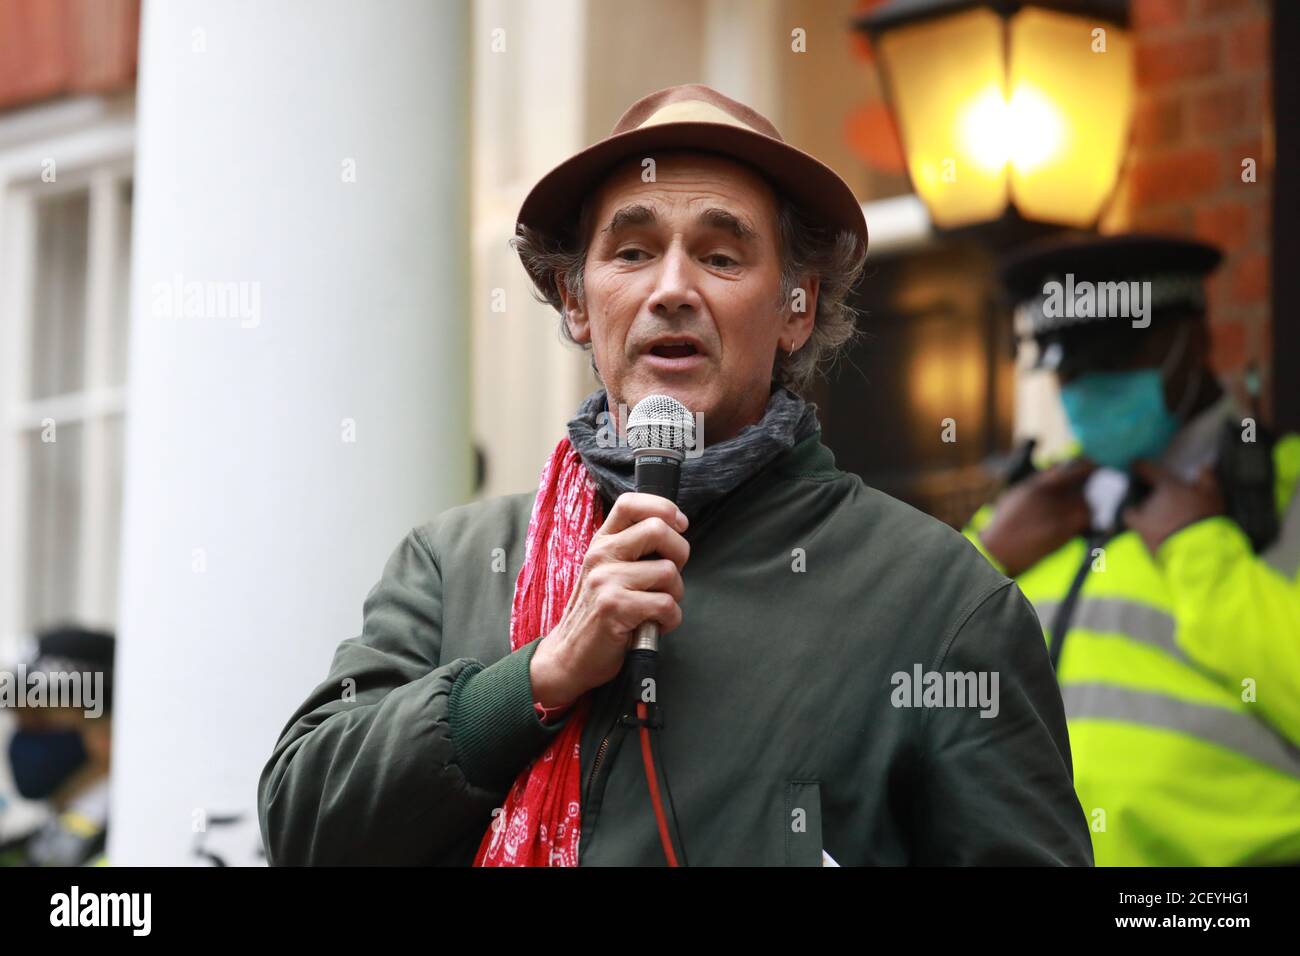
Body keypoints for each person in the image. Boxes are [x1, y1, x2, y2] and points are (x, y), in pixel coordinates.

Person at [258, 83, 1093, 866]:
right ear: (576, 301)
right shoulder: (454, 561)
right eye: (631, 251)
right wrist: (536, 678)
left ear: (797, 308)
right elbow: (303, 822)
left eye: (723, 258)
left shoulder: (939, 603)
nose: (672, 289)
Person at [965, 233, 1300, 866]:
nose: (1090, 386)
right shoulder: (1027, 509)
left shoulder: (1288, 490)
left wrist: (1201, 551)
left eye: (1117, 359)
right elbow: (899, 687)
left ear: (1196, 343)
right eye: (1071, 368)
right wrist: (984, 556)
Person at [0, 626, 114, 867]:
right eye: (21, 718)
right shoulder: (38, 845)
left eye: (40, 718)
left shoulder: (137, 846)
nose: (24, 734)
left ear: (108, 731)